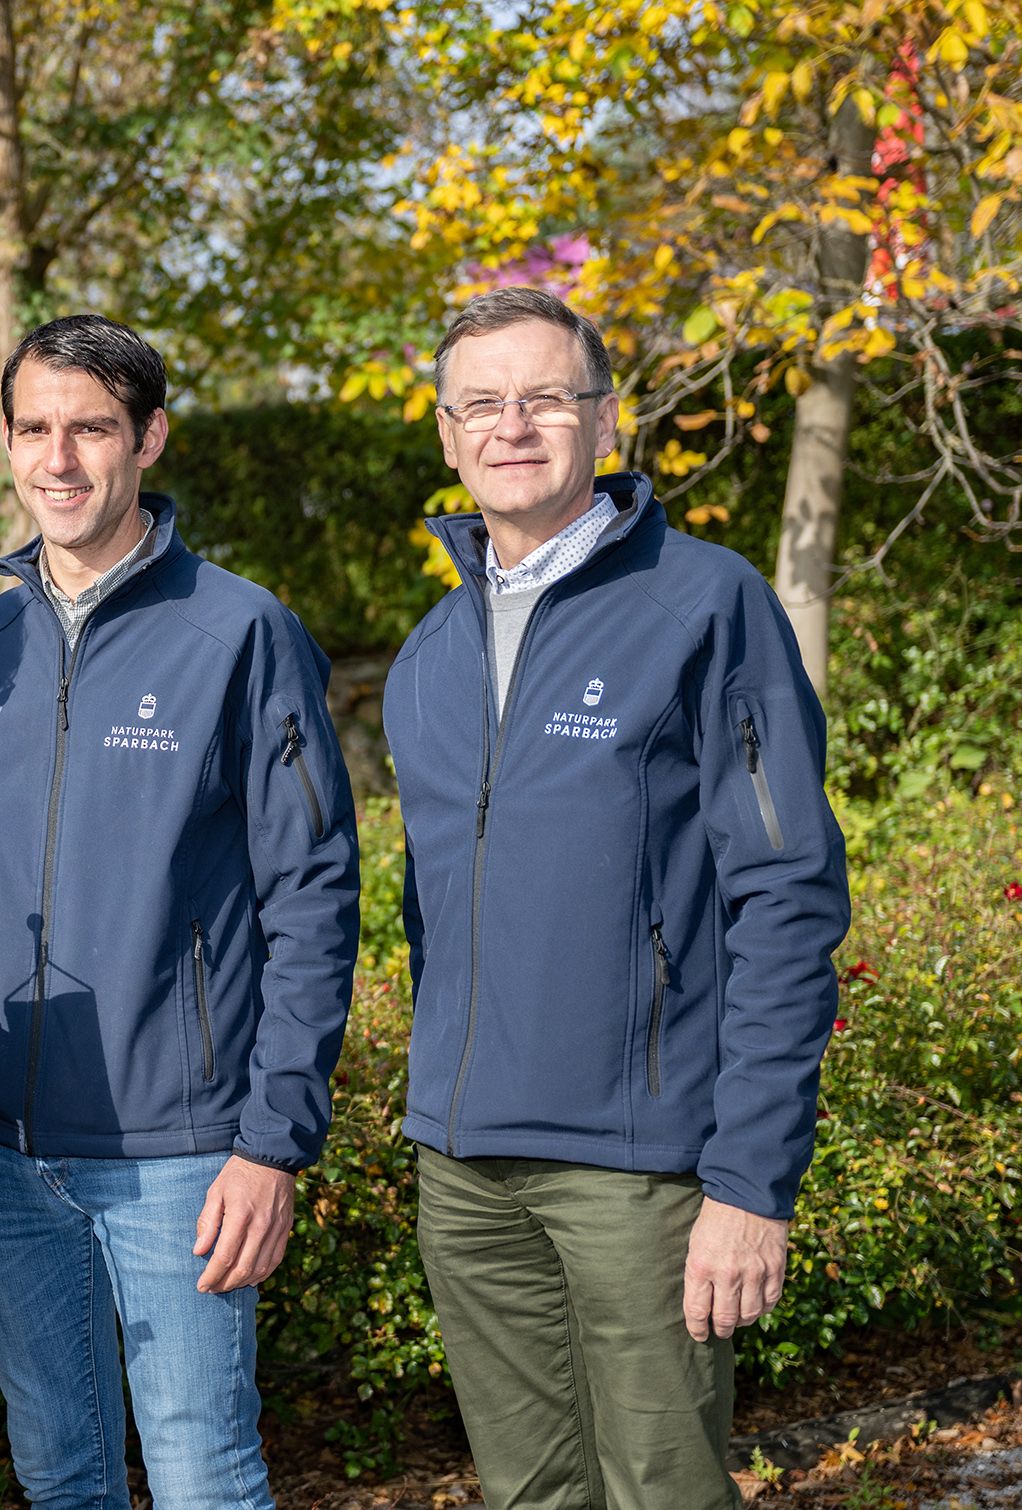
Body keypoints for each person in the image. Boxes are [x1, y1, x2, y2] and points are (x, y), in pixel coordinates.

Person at [383, 285, 853, 1508]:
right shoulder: (428, 653)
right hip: (464, 1166)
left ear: (601, 419)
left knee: (661, 1490)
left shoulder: (702, 604)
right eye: (480, 403)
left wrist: (749, 1179)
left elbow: (786, 893)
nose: (512, 425)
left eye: (544, 396)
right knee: (526, 1493)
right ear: (445, 434)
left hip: (639, 1172)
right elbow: (430, 911)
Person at [0, 315, 361, 1508]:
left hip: (183, 1152)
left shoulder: (240, 634)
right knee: (56, 1474)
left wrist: (272, 1140)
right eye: (33, 429)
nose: (57, 459)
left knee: (204, 1472)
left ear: (148, 438)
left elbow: (311, 894)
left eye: (91, 428)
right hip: (3, 1153)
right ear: (6, 445)